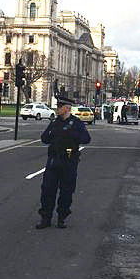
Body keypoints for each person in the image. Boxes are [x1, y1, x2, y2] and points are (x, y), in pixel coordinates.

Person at [36, 96, 91, 229]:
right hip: (54, 161)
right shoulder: (54, 123)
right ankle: (45, 218)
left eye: (60, 107)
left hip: (69, 161)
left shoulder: (76, 123)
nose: (57, 109)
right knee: (47, 190)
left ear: (66, 108)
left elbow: (86, 139)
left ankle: (62, 217)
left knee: (66, 191)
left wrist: (72, 135)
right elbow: (44, 138)